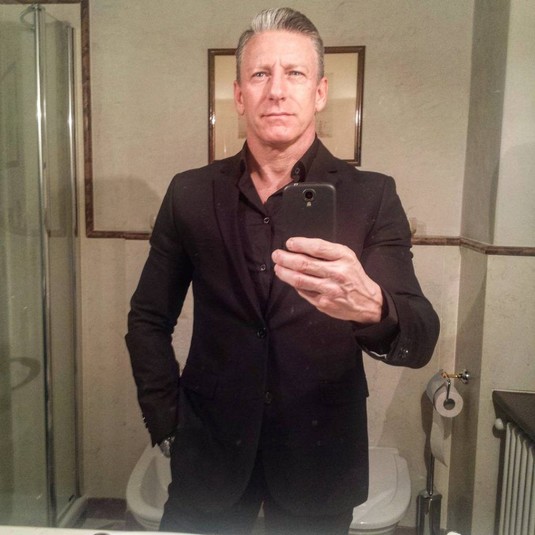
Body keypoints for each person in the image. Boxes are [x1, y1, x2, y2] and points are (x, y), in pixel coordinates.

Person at [126, 7, 440, 535]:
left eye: (294, 73)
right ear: (238, 94)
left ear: (319, 92)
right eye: (260, 74)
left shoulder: (371, 196)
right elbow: (147, 319)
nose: (276, 90)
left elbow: (421, 336)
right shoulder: (190, 193)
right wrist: (166, 419)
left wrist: (375, 309)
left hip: (320, 453)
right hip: (209, 450)